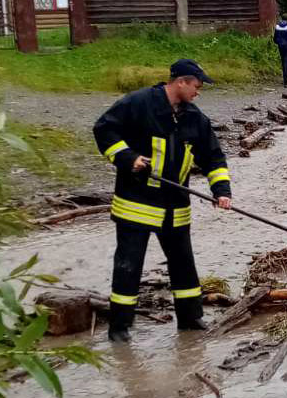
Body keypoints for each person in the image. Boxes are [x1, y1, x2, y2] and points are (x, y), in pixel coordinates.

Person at [93, 59, 233, 342]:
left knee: (183, 265)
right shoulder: (139, 103)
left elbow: (213, 157)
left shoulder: (195, 118)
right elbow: (104, 129)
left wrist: (221, 191)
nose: (198, 92)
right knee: (128, 267)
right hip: (136, 204)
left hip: (175, 207)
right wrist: (127, 158)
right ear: (180, 82)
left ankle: (191, 321)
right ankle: (120, 328)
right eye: (196, 86)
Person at [273, 16, 287, 87]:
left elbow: (275, 38)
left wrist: (278, 43)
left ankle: (285, 79)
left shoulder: (277, 26)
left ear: (281, 19)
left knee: (283, 61)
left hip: (280, 46)